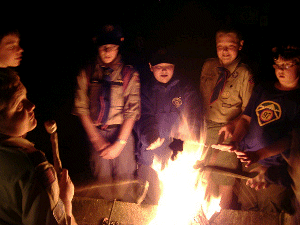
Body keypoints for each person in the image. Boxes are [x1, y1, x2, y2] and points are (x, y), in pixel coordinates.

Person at [212, 44, 300, 214]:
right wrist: (235, 141)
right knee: (247, 209)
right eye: (277, 65)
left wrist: (261, 155)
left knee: (269, 212)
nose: (281, 70)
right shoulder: (264, 89)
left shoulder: (297, 99)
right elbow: (246, 119)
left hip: (276, 169)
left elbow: (291, 139)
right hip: (249, 161)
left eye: (287, 65)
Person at [0, 68, 77, 224]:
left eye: (26, 97)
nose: (32, 105)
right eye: (19, 106)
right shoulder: (36, 170)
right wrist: (65, 199)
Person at [73, 25, 141, 201]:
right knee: (102, 183)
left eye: (112, 46)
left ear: (118, 47)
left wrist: (119, 143)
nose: (107, 50)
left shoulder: (128, 74)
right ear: (97, 47)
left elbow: (132, 111)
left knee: (125, 182)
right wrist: (97, 140)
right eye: (103, 46)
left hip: (121, 134)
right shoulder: (87, 73)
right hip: (97, 134)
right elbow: (81, 108)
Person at [134, 49, 202, 204]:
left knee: (175, 201)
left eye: (168, 66)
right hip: (150, 156)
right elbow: (142, 117)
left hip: (177, 156)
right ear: (151, 67)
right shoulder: (145, 90)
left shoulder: (185, 88)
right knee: (148, 201)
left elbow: (193, 117)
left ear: (174, 66)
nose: (164, 70)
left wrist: (186, 137)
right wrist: (149, 137)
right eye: (159, 66)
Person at [199, 27, 255, 209]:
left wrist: (233, 124)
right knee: (202, 172)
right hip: (204, 127)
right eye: (220, 46)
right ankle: (199, 212)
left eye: (230, 46)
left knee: (225, 176)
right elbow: (200, 96)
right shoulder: (208, 66)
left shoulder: (245, 74)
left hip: (228, 130)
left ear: (240, 45)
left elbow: (249, 112)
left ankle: (223, 215)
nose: (224, 51)